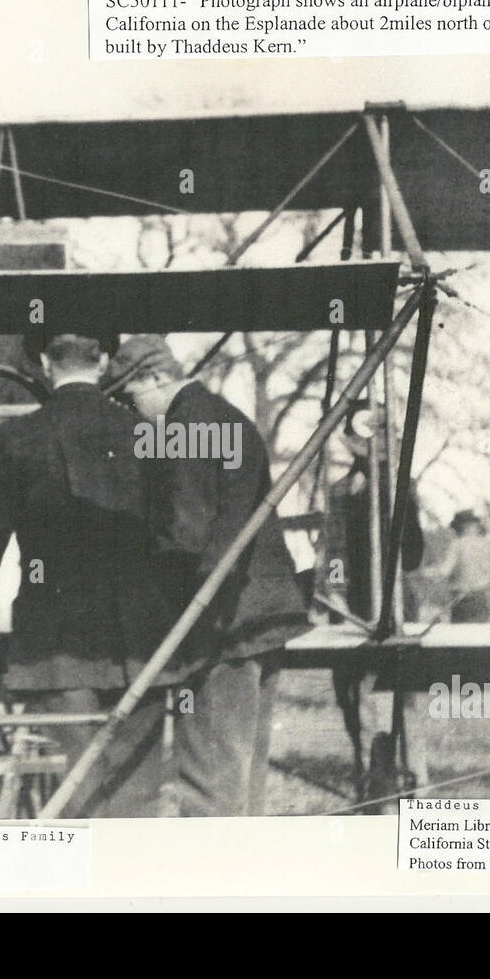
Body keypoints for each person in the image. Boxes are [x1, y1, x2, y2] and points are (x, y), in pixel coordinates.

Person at [0, 330, 175, 818]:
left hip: (56, 651)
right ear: (105, 362)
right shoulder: (146, 434)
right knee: (138, 800)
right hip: (142, 649)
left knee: (74, 802)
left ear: (45, 366)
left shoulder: (18, 437)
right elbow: (177, 532)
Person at [106, 334, 310, 817]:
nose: (132, 414)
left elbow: (187, 536)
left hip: (218, 628)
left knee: (210, 783)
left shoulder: (184, 427)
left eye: (129, 400)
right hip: (261, 621)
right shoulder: (227, 417)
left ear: (155, 378)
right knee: (242, 779)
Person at [321, 400, 425, 804]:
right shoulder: (342, 493)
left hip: (395, 606)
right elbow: (334, 552)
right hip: (356, 608)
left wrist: (403, 503)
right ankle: (372, 775)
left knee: (400, 691)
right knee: (360, 693)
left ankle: (412, 778)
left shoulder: (401, 487)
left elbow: (412, 554)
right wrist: (336, 592)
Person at [421, 509, 490, 623]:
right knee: (480, 632)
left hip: (462, 600)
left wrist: (424, 572)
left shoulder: (458, 544)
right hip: (482, 599)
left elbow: (445, 570)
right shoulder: (488, 544)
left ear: (462, 527)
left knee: (462, 632)